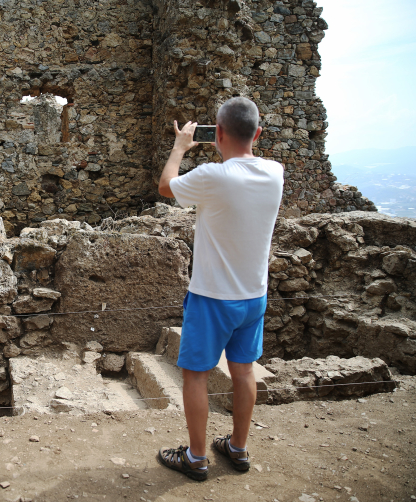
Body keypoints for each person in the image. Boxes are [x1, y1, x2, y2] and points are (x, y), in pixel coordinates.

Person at [156, 97, 284, 481]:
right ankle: (238, 447)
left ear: (219, 134)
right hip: (253, 296)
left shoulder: (214, 175)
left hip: (212, 297)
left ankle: (195, 458)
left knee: (195, 375)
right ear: (258, 134)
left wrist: (180, 147)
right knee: (243, 371)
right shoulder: (275, 171)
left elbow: (166, 187)